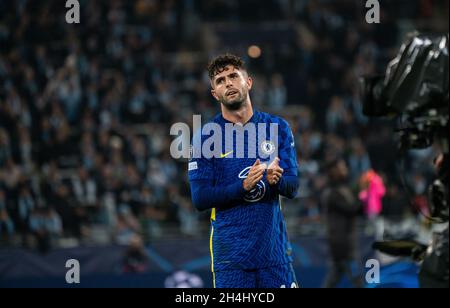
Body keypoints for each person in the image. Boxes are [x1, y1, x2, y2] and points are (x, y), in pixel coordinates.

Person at [188, 54, 299, 288]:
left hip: (274, 255)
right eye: (220, 81)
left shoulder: (277, 127)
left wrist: (276, 180)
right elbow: (200, 198)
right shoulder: (205, 137)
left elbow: (292, 187)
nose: (227, 83)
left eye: (233, 76)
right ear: (214, 94)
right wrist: (243, 187)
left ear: (248, 82)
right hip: (231, 259)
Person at [321, 158, 364, 288]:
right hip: (341, 243)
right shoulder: (332, 193)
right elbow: (351, 209)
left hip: (346, 241)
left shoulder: (344, 188)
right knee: (357, 278)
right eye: (342, 167)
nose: (345, 169)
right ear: (334, 171)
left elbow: (357, 209)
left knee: (335, 276)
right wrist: (363, 193)